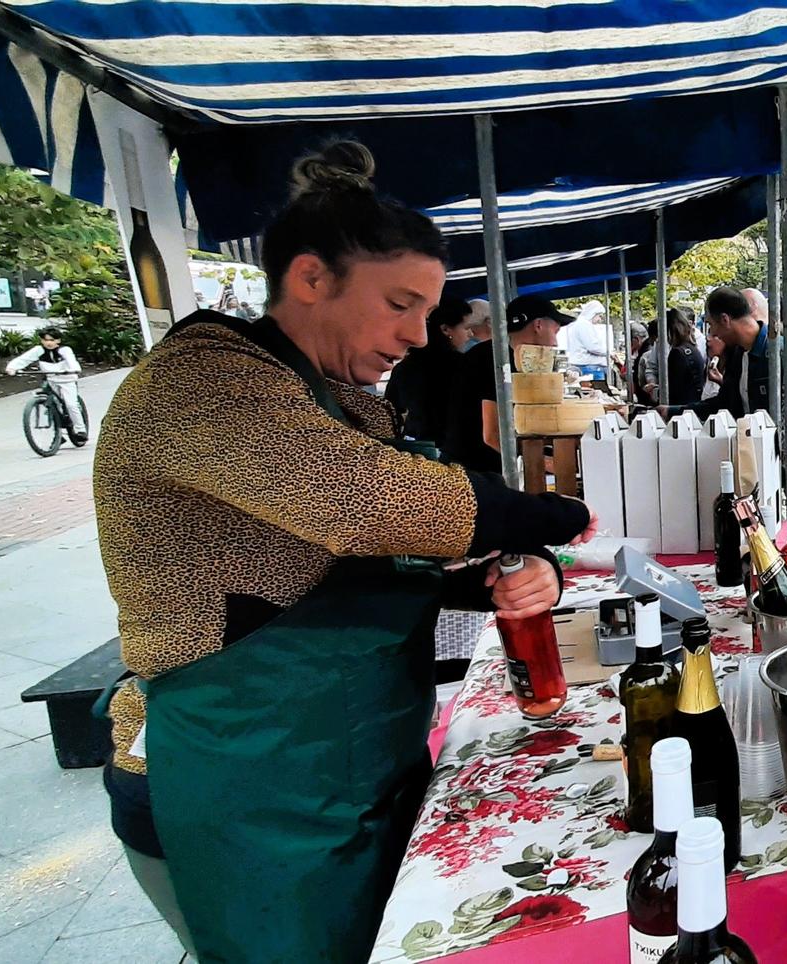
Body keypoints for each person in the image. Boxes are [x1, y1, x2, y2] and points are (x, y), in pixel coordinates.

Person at [91, 141, 595, 961]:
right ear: (310, 277)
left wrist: (508, 574)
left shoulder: (343, 407)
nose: (419, 336)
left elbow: (379, 563)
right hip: (240, 788)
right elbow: (365, 506)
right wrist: (545, 516)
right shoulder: (200, 382)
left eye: (429, 312)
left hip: (349, 772)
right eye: (400, 304)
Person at [446, 293, 573, 474]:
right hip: (477, 472)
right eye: (555, 331)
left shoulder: (508, 356)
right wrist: (542, 462)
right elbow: (492, 435)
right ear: (538, 325)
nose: (555, 342)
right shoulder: (496, 361)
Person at [383, 297, 470, 442]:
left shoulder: (404, 368)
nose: (470, 334)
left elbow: (390, 413)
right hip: (459, 449)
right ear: (445, 329)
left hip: (419, 451)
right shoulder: (464, 365)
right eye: (466, 328)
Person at [681, 286, 771, 419]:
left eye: (710, 325)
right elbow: (724, 403)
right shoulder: (736, 354)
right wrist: (674, 412)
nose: (711, 334)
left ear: (725, 320)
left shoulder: (778, 353)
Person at [2, 326, 86, 442]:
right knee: (49, 404)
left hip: (67, 379)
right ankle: (57, 433)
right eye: (46, 340)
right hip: (51, 379)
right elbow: (25, 359)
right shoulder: (39, 350)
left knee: (71, 404)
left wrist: (74, 368)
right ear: (41, 341)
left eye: (52, 340)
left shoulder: (64, 350)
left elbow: (71, 360)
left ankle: (80, 430)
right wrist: (12, 367)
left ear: (58, 341)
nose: (49, 343)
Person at [559, 299, 611, 386]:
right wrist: (609, 352)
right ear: (593, 313)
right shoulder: (584, 325)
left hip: (583, 365)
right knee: (596, 393)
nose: (600, 320)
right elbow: (593, 347)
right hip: (590, 367)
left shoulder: (578, 324)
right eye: (599, 316)